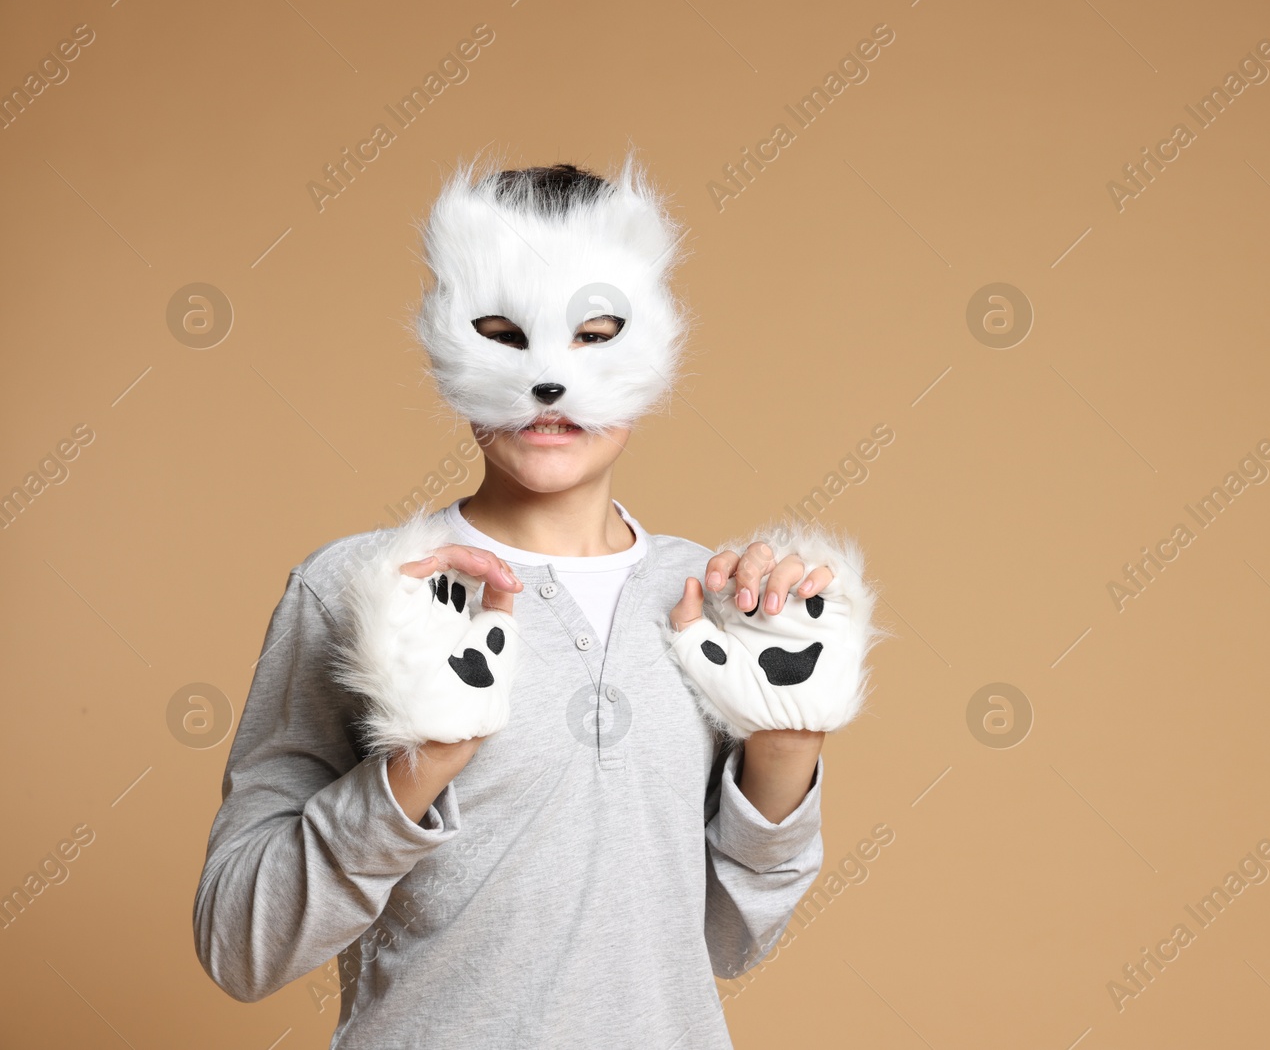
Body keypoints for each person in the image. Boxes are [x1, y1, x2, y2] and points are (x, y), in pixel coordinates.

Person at [191, 157, 879, 1048]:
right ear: (448, 341)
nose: (551, 381)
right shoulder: (360, 591)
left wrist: (786, 742)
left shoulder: (713, 604)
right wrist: (419, 763)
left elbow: (727, 940)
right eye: (501, 334)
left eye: (597, 334)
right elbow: (238, 946)